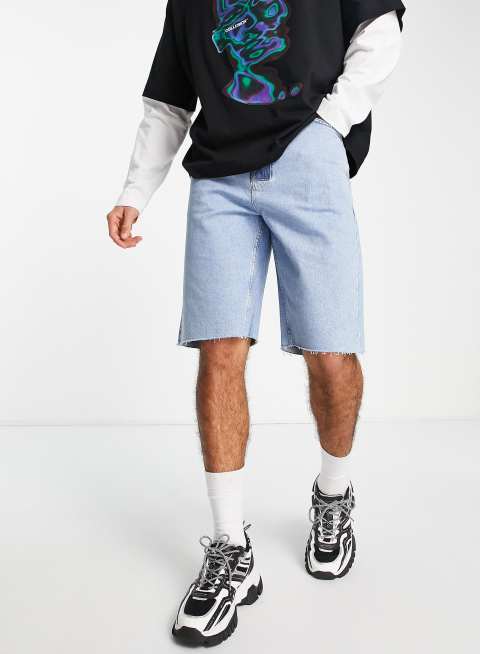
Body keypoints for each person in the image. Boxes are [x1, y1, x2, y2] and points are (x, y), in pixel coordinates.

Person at [107, 0, 405, 646]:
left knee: (330, 352)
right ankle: (229, 549)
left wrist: (330, 124)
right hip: (218, 178)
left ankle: (333, 496)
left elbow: (380, 30)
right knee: (218, 350)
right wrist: (135, 191)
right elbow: (168, 101)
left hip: (308, 159)